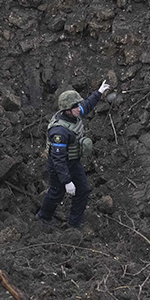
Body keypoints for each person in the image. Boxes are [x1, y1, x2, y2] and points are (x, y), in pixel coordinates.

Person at [36, 79, 111, 230]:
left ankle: (75, 223)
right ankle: (43, 217)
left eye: (78, 106)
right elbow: (58, 160)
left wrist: (99, 92)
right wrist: (67, 181)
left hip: (73, 161)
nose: (79, 108)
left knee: (83, 190)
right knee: (57, 192)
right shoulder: (59, 131)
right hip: (59, 165)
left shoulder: (73, 114)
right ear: (67, 110)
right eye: (76, 106)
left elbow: (87, 105)